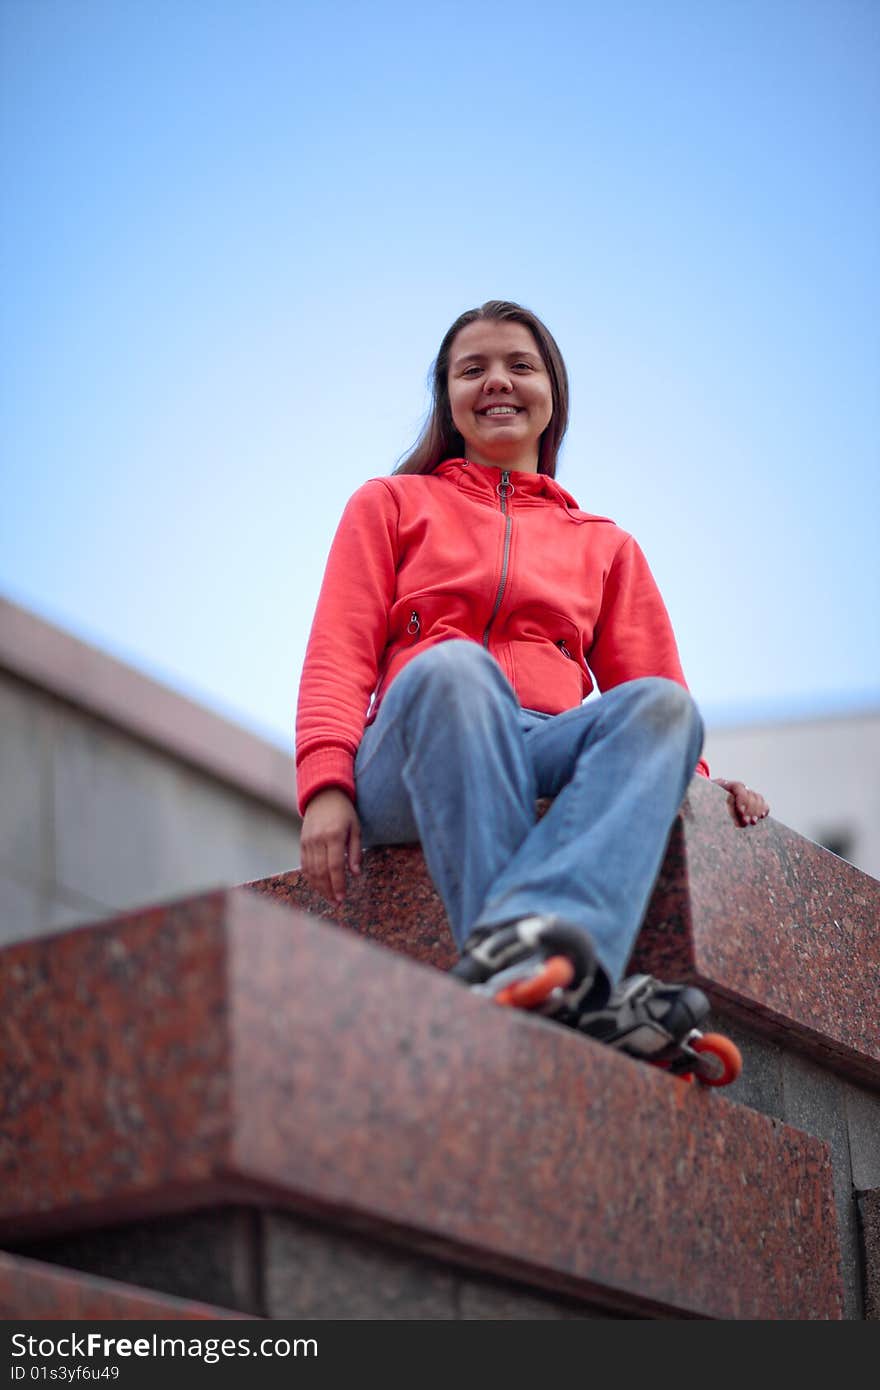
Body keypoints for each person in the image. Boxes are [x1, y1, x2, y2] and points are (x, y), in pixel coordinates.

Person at [295, 300, 769, 1057]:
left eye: (519, 365)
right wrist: (324, 786)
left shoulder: (606, 546)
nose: (497, 383)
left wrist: (705, 790)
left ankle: (546, 974)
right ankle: (556, 972)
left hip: (538, 746)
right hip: (412, 753)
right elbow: (338, 651)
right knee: (455, 667)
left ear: (553, 392)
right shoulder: (390, 503)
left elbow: (651, 701)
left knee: (668, 708)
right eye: (471, 369)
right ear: (447, 398)